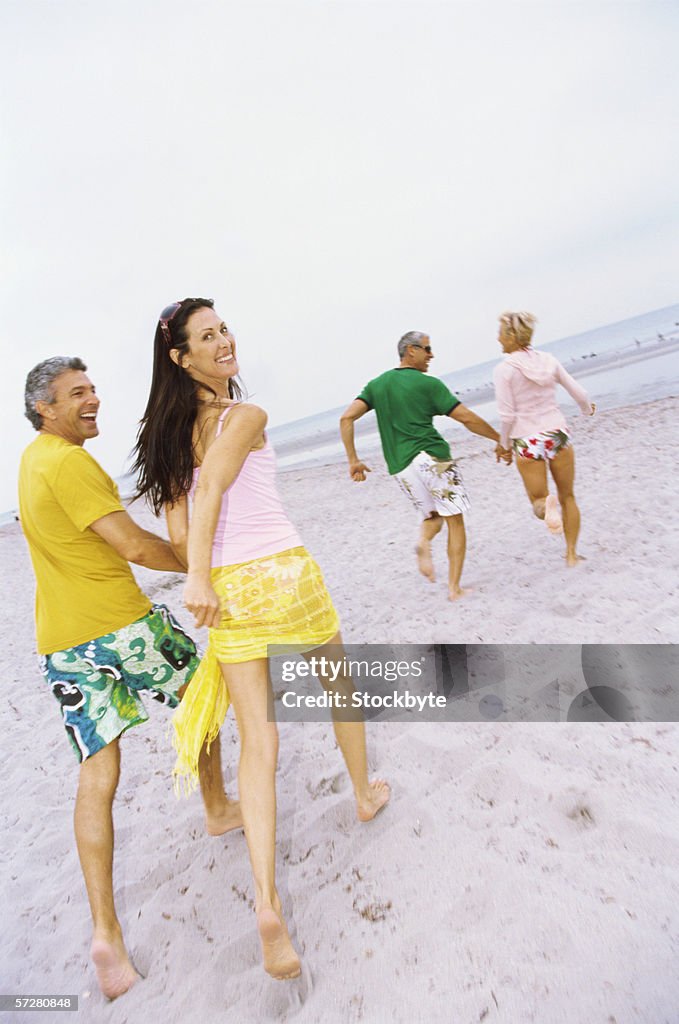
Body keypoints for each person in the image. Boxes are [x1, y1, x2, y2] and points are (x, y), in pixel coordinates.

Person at [132, 298, 390, 982]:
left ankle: (267, 903)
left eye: (223, 329)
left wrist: (202, 578)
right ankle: (364, 793)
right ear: (179, 357)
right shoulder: (243, 416)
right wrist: (194, 580)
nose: (223, 341)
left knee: (259, 742)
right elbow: (215, 485)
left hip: (230, 592)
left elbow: (186, 525)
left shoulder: (166, 437)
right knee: (340, 689)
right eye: (206, 336)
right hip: (281, 574)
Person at [18, 357, 241, 1001]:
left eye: (92, 387)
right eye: (76, 394)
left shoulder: (32, 462)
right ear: (46, 409)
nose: (92, 399)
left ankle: (106, 937)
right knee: (202, 695)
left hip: (61, 643)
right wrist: (200, 562)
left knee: (98, 775)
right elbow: (135, 547)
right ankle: (218, 807)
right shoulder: (69, 462)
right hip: (121, 626)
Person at [340, 331, 510, 600]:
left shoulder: (377, 385)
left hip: (401, 467)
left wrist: (353, 460)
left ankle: (423, 542)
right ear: (410, 350)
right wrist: (499, 439)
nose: (431, 355)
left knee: (432, 517)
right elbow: (465, 417)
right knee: (455, 521)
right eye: (427, 349)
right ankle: (454, 588)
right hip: (433, 459)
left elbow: (346, 418)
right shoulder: (428, 384)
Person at [492, 311, 595, 566]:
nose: (498, 338)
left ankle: (546, 508)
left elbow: (506, 416)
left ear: (512, 336)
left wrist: (503, 445)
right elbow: (579, 392)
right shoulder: (548, 360)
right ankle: (571, 554)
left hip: (527, 440)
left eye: (501, 333)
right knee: (568, 496)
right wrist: (586, 409)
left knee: (538, 500)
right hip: (557, 434)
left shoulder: (504, 370)